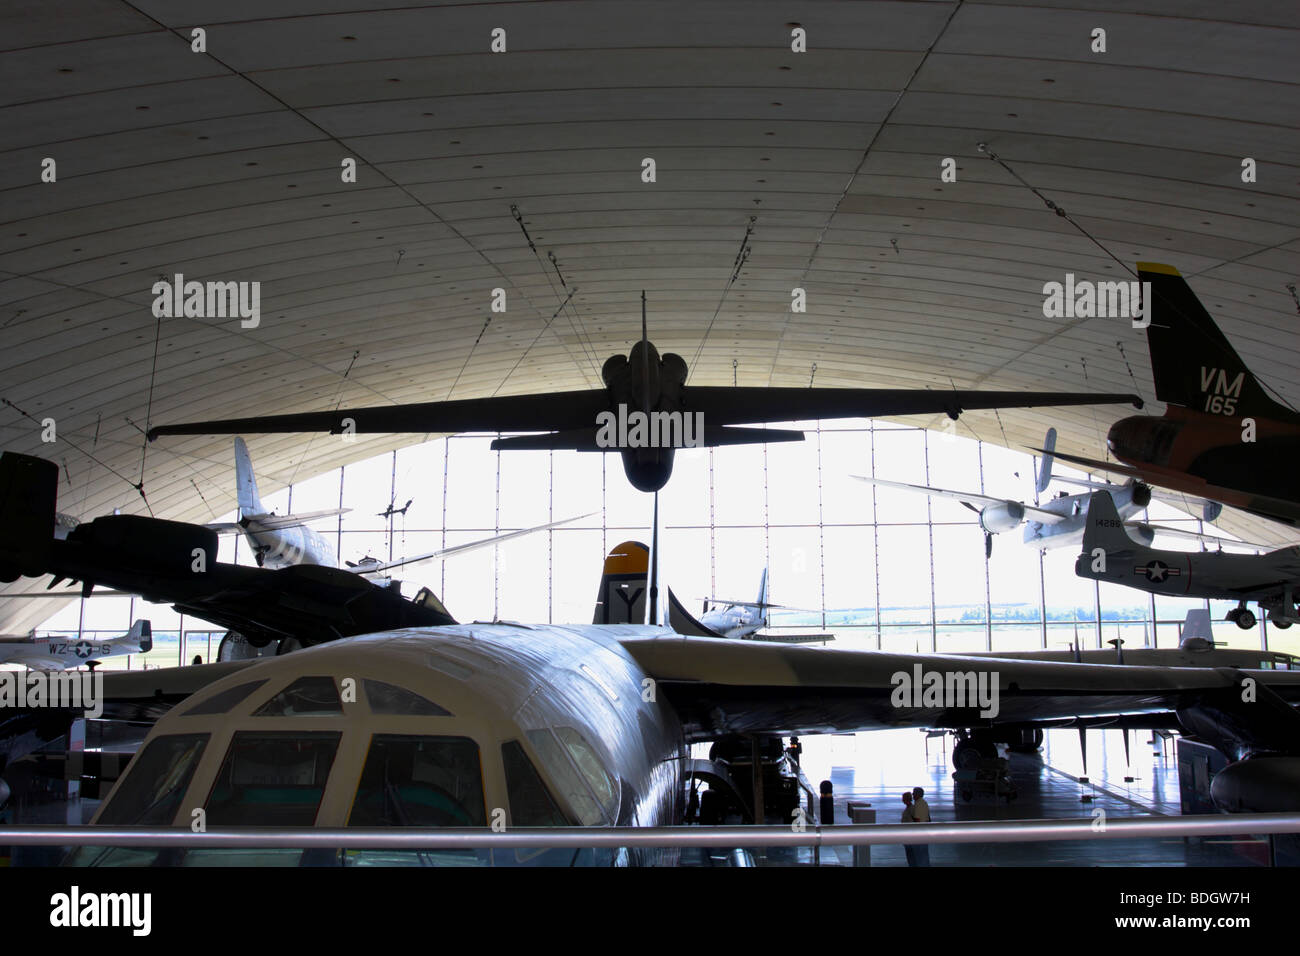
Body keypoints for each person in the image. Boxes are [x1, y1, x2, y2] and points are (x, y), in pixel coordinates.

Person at [910, 786, 931, 866]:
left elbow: (917, 819)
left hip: (920, 832)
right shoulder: (924, 803)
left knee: (920, 855)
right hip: (925, 831)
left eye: (914, 793)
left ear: (918, 794)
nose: (913, 795)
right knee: (924, 854)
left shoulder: (918, 804)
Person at [900, 792, 917, 866]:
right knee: (910, 855)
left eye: (903, 798)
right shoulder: (908, 809)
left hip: (910, 835)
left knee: (912, 855)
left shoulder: (911, 809)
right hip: (907, 835)